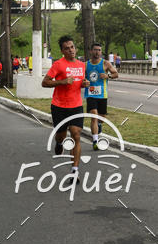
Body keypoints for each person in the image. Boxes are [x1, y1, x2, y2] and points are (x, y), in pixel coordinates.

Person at [42, 36, 85, 177]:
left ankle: (75, 171)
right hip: (59, 106)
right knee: (61, 136)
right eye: (67, 48)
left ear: (75, 48)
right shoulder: (58, 65)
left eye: (72, 47)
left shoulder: (81, 65)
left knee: (76, 135)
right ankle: (59, 143)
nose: (70, 50)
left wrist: (84, 84)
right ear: (62, 51)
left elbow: (80, 82)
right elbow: (45, 82)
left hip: (76, 106)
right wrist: (62, 82)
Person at [84, 42, 118, 150]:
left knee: (101, 119)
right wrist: (84, 81)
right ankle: (95, 141)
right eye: (95, 50)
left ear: (101, 52)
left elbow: (116, 74)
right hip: (90, 94)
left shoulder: (105, 63)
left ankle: (99, 125)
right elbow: (81, 78)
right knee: (94, 116)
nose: (97, 52)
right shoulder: (86, 64)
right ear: (91, 51)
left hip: (102, 95)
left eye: (99, 50)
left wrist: (107, 75)